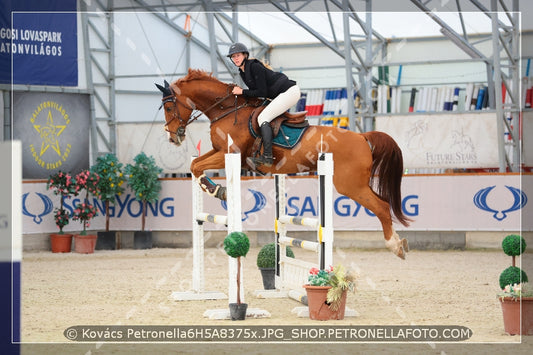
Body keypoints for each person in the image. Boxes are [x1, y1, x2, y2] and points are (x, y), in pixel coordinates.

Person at [227, 42, 301, 168]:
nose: (236, 59)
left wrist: (242, 91)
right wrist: (242, 93)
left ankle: (267, 156)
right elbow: (256, 93)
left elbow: (262, 92)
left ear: (245, 55)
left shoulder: (254, 67)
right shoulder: (243, 72)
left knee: (263, 118)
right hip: (280, 95)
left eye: (238, 55)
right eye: (233, 57)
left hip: (289, 92)